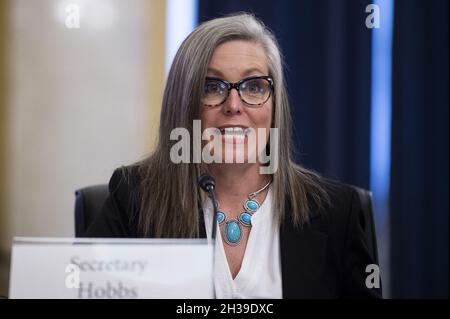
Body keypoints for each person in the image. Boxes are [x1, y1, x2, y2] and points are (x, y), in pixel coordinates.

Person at [85, 13, 382, 299]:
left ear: (275, 106)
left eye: (254, 87)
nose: (234, 105)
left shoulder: (336, 212)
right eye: (212, 87)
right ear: (183, 104)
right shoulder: (133, 198)